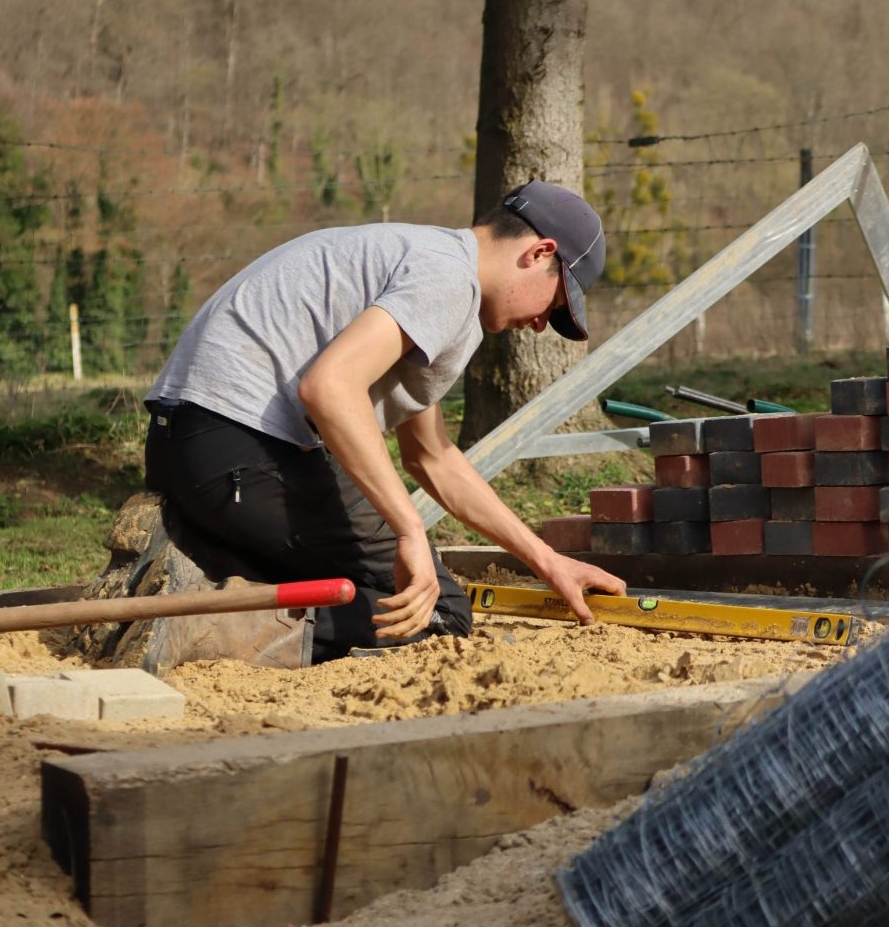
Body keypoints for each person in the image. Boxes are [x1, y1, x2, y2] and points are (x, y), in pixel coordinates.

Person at [144, 179, 627, 661]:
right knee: (440, 613)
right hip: (241, 447)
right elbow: (329, 388)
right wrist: (409, 530)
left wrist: (547, 561)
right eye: (556, 303)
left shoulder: (423, 256)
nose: (542, 323)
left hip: (185, 445)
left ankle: (188, 565)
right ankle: (202, 628)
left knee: (357, 582)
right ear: (539, 252)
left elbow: (432, 457)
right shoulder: (449, 281)